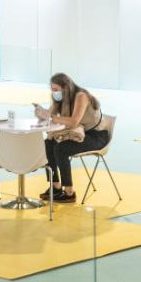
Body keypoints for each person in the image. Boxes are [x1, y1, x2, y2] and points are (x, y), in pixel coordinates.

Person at [34, 73, 108, 203]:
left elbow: (73, 121)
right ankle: (55, 186)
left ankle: (69, 192)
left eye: (56, 89)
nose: (54, 92)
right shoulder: (61, 98)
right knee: (48, 143)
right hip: (79, 133)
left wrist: (49, 117)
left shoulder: (81, 96)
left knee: (61, 149)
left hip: (96, 136)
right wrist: (41, 113)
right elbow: (50, 115)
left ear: (66, 87)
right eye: (52, 89)